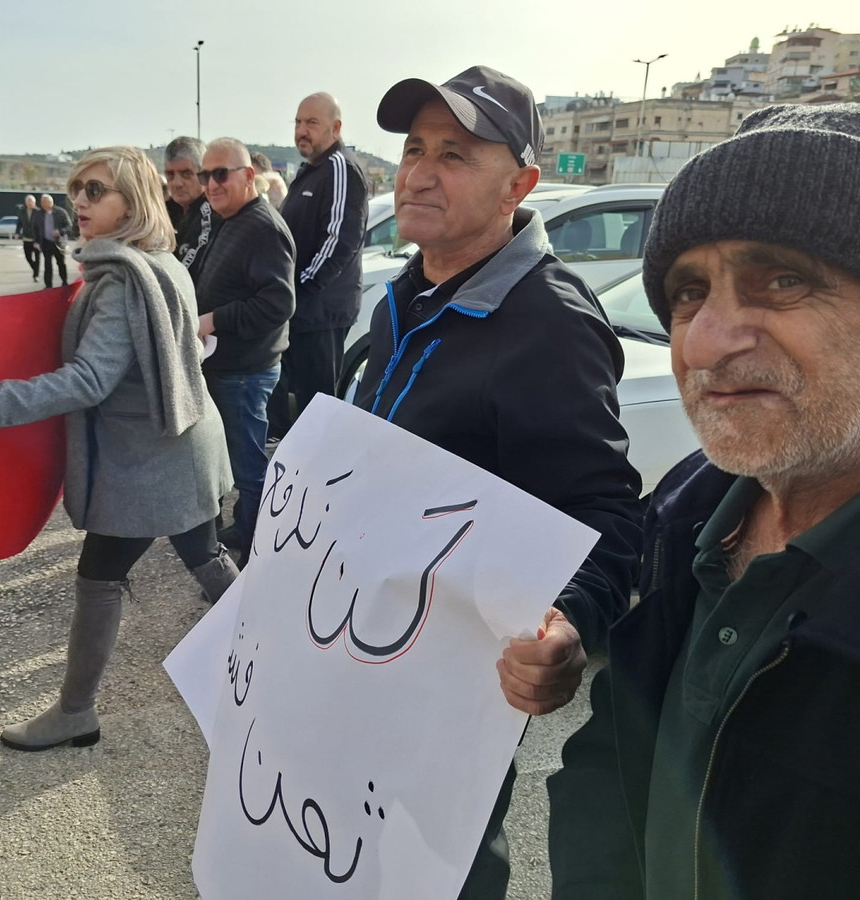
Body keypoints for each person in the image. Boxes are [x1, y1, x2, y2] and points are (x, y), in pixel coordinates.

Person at [548, 104, 860, 900]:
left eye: (783, 281)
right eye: (688, 292)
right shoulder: (688, 511)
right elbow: (614, 759)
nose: (707, 342)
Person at [353, 66, 643, 897]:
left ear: (520, 185)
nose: (418, 173)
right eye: (414, 149)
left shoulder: (552, 322)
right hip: (360, 644)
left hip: (454, 676)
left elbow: (607, 509)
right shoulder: (405, 294)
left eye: (454, 154)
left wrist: (570, 619)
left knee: (442, 863)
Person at [0, 146, 237, 751]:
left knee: (100, 574)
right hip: (183, 446)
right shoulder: (160, 260)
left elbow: (88, 380)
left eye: (96, 191)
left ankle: (75, 712)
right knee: (206, 557)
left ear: (132, 199)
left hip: (149, 462)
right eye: (76, 190)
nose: (80, 202)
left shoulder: (120, 278)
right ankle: (289, 657)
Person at [193, 138, 295, 566]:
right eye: (205, 175)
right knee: (234, 463)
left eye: (221, 174)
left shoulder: (262, 227)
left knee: (248, 468)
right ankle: (244, 529)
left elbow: (278, 303)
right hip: (228, 367)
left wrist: (214, 319)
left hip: (245, 372)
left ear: (249, 176)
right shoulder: (231, 219)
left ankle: (257, 557)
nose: (211, 184)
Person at [268, 92, 368, 438]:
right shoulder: (309, 171)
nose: (301, 130)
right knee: (297, 408)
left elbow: (340, 240)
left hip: (320, 313)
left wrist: (300, 289)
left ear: (336, 128)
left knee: (318, 412)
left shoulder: (340, 167)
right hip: (300, 312)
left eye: (311, 122)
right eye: (298, 122)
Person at [164, 136, 217, 281]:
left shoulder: (211, 213)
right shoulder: (165, 212)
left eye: (186, 174)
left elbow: (187, 272)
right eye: (170, 175)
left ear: (204, 174)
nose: (177, 183)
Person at [32, 193, 72, 288]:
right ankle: (48, 285)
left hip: (59, 242)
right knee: (47, 264)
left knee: (61, 263)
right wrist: (36, 241)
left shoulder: (61, 212)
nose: (44, 204)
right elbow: (35, 228)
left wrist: (60, 231)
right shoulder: (38, 214)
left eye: (46, 202)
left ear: (51, 202)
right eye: (42, 202)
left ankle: (64, 282)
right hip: (46, 242)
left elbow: (69, 226)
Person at [14, 194, 40, 281]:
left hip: (36, 239)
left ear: (34, 202)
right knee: (28, 257)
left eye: (31, 201)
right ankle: (35, 268)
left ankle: (36, 275)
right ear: (25, 202)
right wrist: (17, 233)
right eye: (28, 201)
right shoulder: (22, 211)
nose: (30, 203)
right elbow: (19, 223)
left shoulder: (38, 212)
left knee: (37, 258)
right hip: (26, 238)